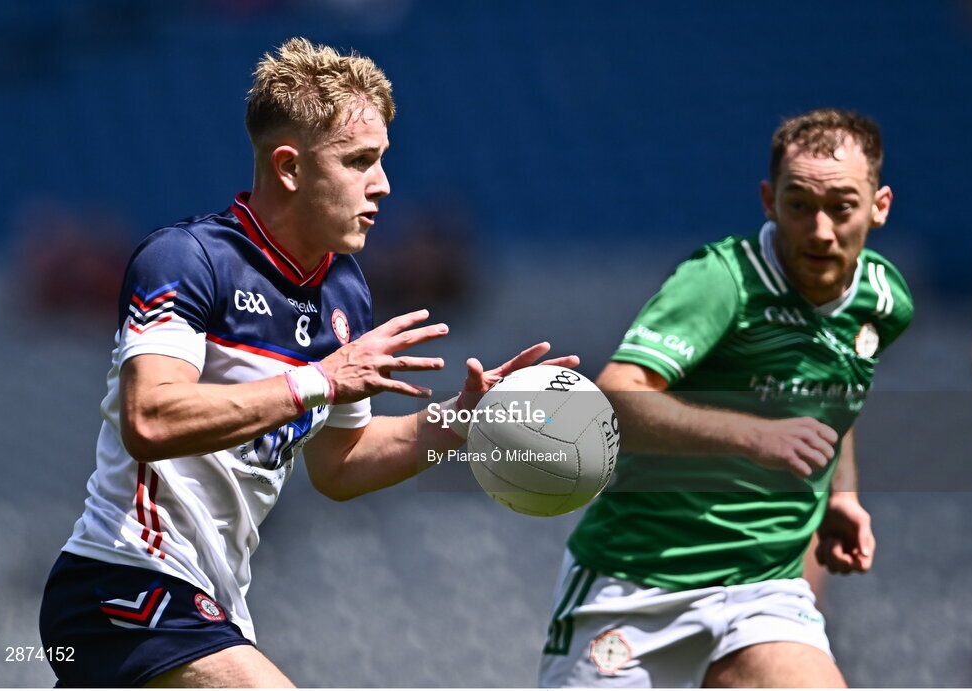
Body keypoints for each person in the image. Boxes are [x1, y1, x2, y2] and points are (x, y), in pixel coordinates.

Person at [38, 37, 577, 688]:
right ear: (289, 168)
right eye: (358, 161)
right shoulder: (185, 260)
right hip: (124, 585)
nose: (381, 186)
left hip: (214, 606)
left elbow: (340, 463)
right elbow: (149, 417)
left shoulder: (343, 294)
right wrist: (318, 379)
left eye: (381, 161)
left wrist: (461, 421)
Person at [539, 109, 912, 688]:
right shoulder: (722, 281)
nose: (819, 230)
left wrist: (843, 494)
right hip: (638, 582)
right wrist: (754, 435)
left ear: (879, 205)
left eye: (841, 207)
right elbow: (613, 398)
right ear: (768, 200)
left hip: (764, 589)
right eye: (798, 204)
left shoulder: (885, 299)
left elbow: (840, 391)